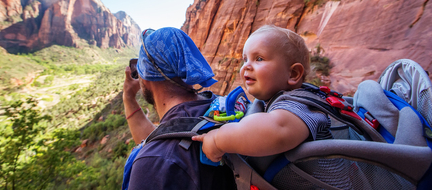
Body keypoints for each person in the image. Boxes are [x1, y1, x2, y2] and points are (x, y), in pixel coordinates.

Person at [192, 25, 332, 162]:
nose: (246, 65)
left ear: (293, 74)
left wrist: (218, 139)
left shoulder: (299, 105)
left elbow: (276, 131)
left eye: (259, 59)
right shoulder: (280, 100)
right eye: (245, 59)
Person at [122, 27, 236, 190]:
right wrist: (128, 98)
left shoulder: (152, 164)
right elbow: (161, 137)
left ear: (146, 79)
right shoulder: (216, 106)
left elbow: (163, 151)